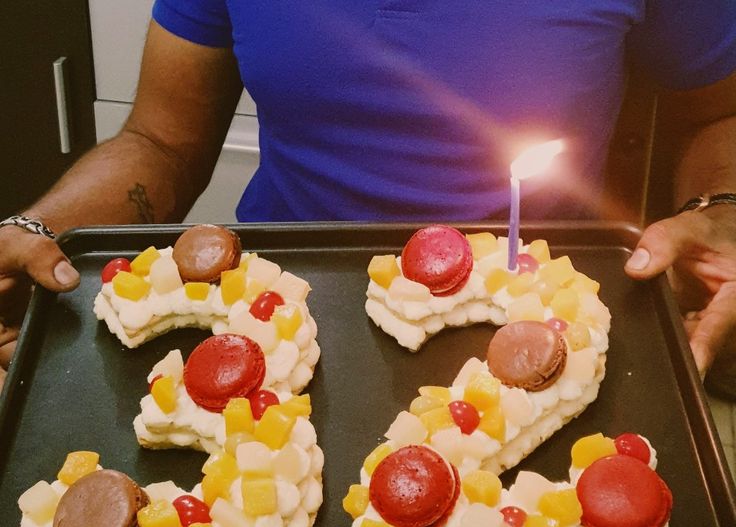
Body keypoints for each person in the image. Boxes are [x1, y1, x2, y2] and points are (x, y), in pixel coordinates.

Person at [1, 1, 736, 394]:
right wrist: (37, 229)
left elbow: (716, 113)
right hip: (273, 321)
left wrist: (722, 208)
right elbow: (160, 141)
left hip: (537, 322)